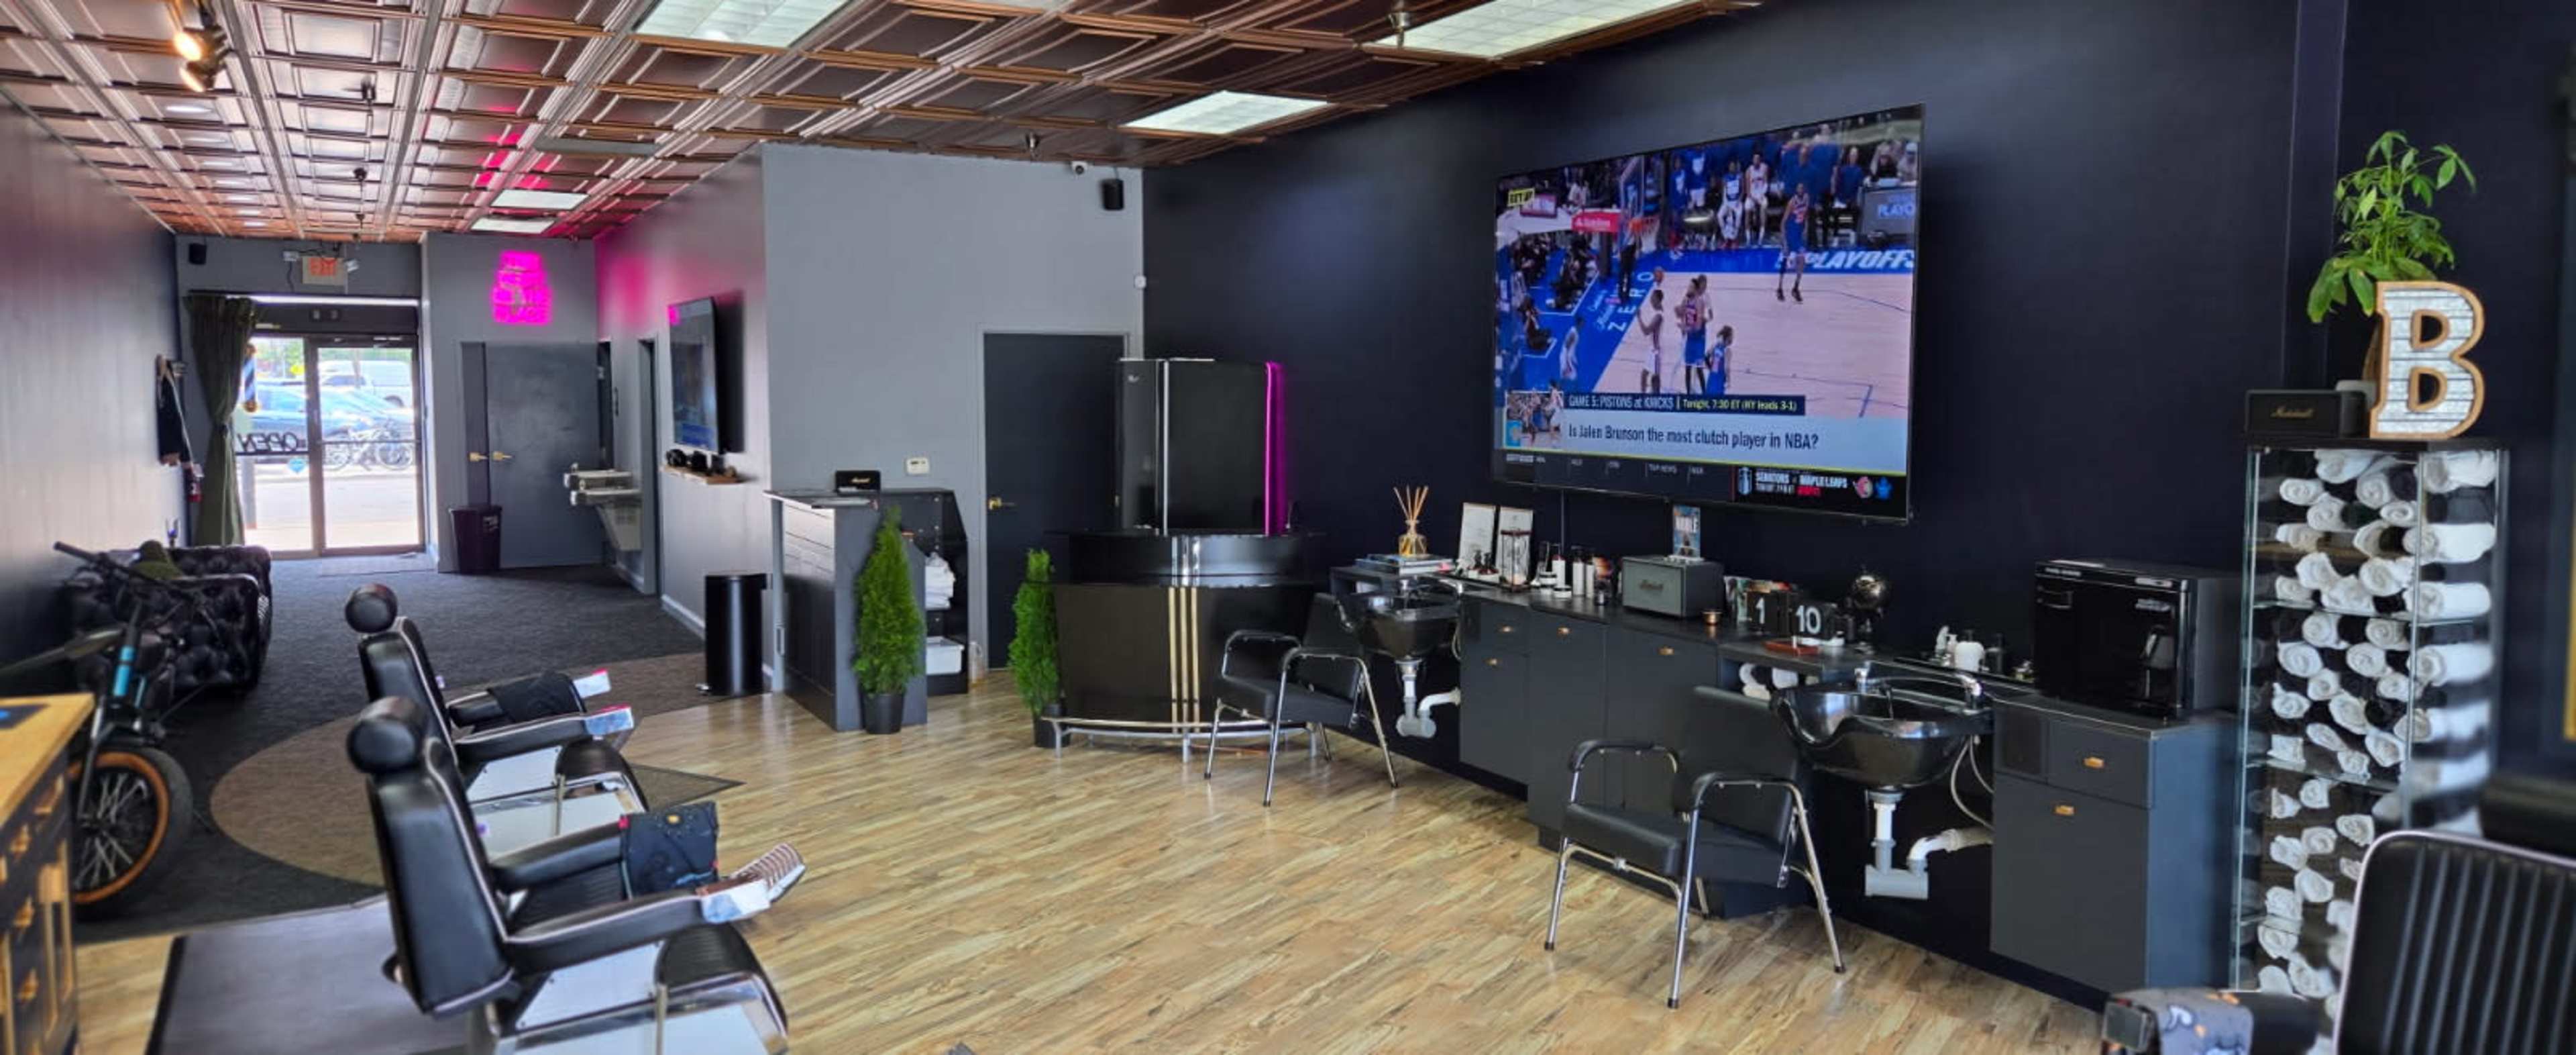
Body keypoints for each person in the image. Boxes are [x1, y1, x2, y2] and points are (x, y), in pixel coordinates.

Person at [1778, 183, 1812, 303]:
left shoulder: (1807, 199)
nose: (1801, 190)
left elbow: (1806, 215)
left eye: (1803, 188)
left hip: (1798, 235)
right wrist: (1784, 241)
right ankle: (1780, 288)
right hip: (1789, 234)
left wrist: (1806, 228)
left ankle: (1796, 288)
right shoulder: (1792, 202)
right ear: (1796, 190)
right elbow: (1783, 223)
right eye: (1799, 188)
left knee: (1802, 261)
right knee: (1785, 260)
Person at [1679, 277, 1711, 394]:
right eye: (1688, 287)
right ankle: (1688, 395)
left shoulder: (1700, 302)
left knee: (1699, 369)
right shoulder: (1687, 300)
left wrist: (1685, 328)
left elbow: (1697, 327)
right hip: (1690, 338)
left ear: (1696, 289)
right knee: (1687, 368)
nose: (1688, 289)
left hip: (1699, 339)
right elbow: (1681, 314)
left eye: (1691, 287)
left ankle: (1704, 395)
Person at [1639, 287, 1668, 393]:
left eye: (1652, 298)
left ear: (1657, 299)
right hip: (1652, 349)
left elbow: (1646, 331)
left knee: (1654, 378)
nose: (1650, 301)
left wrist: (1639, 318)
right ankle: (1644, 398)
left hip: (1656, 351)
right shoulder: (1658, 312)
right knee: (1645, 375)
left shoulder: (1659, 316)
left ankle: (1656, 398)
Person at [1743, 151, 1772, 246]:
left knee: (1764, 209)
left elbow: (1766, 183)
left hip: (1761, 194)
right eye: (1755, 159)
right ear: (1753, 160)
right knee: (1747, 210)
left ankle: (1761, 239)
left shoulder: (1765, 167)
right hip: (1751, 196)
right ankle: (1748, 239)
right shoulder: (1749, 170)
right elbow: (1747, 188)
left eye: (1758, 159)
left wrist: (1761, 195)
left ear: (1760, 160)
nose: (1756, 161)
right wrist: (1753, 198)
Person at [1709, 325, 1734, 396]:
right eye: (1732, 336)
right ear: (1728, 337)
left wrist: (1710, 367)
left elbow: (1706, 356)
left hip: (1713, 375)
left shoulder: (1716, 345)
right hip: (1720, 376)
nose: (1733, 338)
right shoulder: (1727, 350)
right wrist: (1729, 381)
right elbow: (1727, 367)